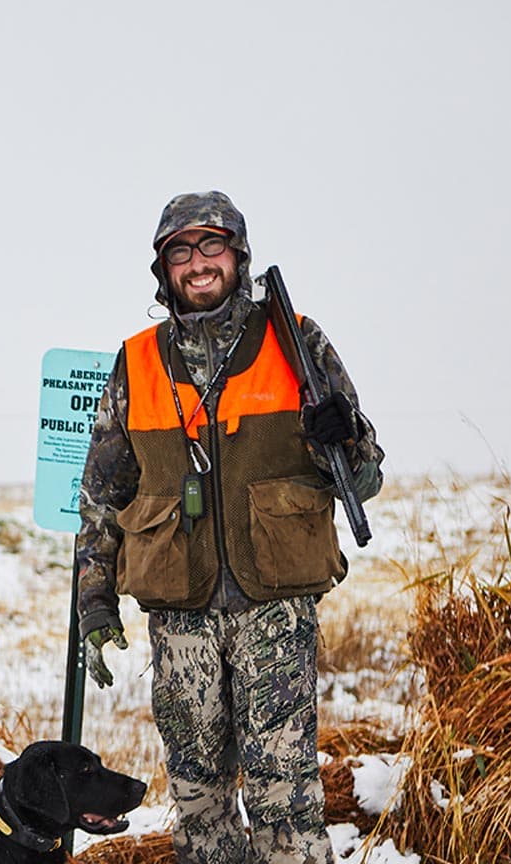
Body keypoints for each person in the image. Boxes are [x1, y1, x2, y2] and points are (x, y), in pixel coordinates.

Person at [76, 191, 383, 864]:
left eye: (211, 245)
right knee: (198, 798)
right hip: (180, 616)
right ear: (164, 271)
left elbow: (365, 476)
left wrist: (346, 436)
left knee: (286, 795)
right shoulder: (135, 362)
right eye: (180, 251)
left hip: (275, 609)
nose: (197, 263)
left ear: (238, 257)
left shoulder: (297, 340)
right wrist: (93, 604)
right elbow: (102, 495)